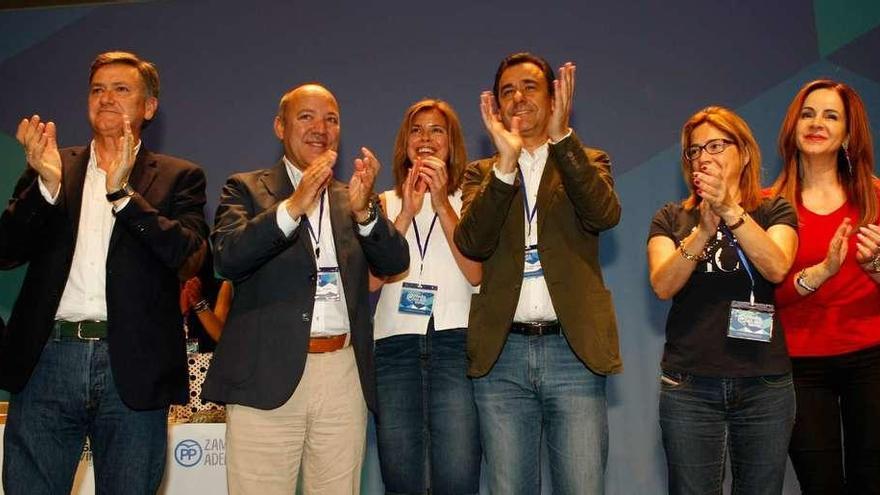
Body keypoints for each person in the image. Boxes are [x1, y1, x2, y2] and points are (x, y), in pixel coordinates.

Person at [0, 51, 208, 494]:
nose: (106, 98)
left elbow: (190, 258)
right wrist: (45, 188)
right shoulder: (54, 166)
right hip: (47, 360)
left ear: (148, 107)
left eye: (121, 89)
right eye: (97, 90)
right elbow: (6, 251)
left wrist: (124, 195)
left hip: (132, 365)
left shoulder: (179, 177)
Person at [202, 83, 409, 495]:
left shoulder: (352, 197)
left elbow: (394, 263)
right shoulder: (246, 188)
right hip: (266, 374)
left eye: (331, 119)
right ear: (280, 126)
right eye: (306, 117)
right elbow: (227, 257)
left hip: (342, 374)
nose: (320, 128)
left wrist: (366, 212)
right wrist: (293, 205)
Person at [453, 52, 622, 494]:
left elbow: (603, 214)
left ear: (553, 97)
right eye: (507, 90)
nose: (517, 98)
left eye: (529, 87)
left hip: (572, 351)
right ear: (496, 106)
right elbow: (472, 242)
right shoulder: (481, 173)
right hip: (502, 355)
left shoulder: (586, 159)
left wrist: (563, 138)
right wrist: (506, 166)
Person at [647, 106, 798, 494]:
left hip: (764, 385)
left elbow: (777, 267)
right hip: (689, 385)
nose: (704, 157)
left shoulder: (774, 209)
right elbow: (663, 284)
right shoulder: (671, 218)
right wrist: (701, 233)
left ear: (743, 152)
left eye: (716, 145)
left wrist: (730, 209)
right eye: (695, 150)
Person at [770, 79, 880, 494]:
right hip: (799, 366)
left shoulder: (876, 197)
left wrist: (877, 266)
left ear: (848, 134)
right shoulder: (766, 205)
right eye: (808, 113)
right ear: (792, 126)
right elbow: (758, 298)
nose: (816, 123)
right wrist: (819, 274)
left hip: (873, 360)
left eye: (831, 115)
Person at [370, 99, 481, 494]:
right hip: (394, 347)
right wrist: (405, 213)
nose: (426, 139)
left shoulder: (470, 198)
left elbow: (475, 272)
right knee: (401, 477)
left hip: (455, 342)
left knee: (457, 475)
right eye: (417, 130)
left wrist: (439, 205)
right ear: (405, 142)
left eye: (437, 130)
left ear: (452, 143)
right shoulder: (383, 202)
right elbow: (368, 281)